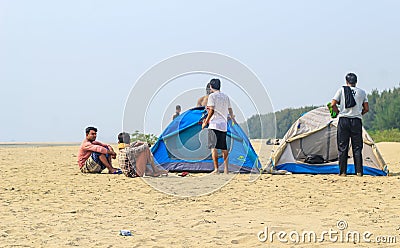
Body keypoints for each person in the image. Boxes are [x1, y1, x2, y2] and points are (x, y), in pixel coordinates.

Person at [331, 72, 369, 176]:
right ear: (356, 82)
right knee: (357, 147)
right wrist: (360, 114)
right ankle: (359, 171)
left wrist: (338, 112)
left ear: (346, 81)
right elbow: (366, 108)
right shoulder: (362, 92)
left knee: (343, 146)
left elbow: (333, 104)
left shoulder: (341, 90)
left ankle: (343, 172)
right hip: (356, 121)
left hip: (344, 120)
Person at [201, 78, 235, 174]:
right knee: (224, 148)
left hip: (214, 125)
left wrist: (205, 122)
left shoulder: (212, 96)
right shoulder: (225, 96)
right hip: (223, 125)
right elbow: (230, 110)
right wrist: (233, 119)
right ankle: (226, 169)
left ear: (211, 87)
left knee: (214, 147)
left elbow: (211, 110)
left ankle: (216, 169)